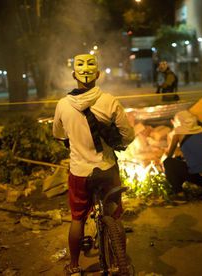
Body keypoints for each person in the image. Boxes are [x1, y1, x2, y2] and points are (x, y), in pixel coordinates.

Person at [53, 53, 135, 275]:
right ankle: (121, 262)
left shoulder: (62, 104)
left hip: (80, 173)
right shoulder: (109, 101)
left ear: (74, 76)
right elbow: (128, 135)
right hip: (107, 169)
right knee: (115, 216)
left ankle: (74, 265)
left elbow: (58, 134)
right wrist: (121, 143)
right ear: (98, 75)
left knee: (77, 218)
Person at [162, 110, 202, 198]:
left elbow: (169, 155)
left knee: (168, 163)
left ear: (179, 122)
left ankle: (179, 194)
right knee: (183, 161)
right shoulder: (201, 132)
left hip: (198, 176)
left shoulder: (178, 135)